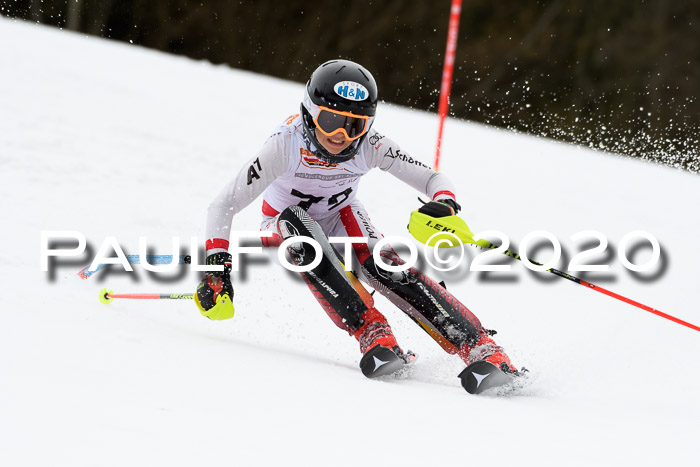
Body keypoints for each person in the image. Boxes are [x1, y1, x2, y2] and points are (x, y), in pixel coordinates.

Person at [195, 59, 522, 394]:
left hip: (341, 213)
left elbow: (433, 179)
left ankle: (483, 350)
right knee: (298, 227)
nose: (341, 135)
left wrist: (445, 202)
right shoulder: (285, 144)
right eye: (331, 121)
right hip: (286, 222)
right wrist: (215, 268)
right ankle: (373, 332)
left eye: (355, 125)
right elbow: (224, 204)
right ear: (309, 113)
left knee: (380, 263)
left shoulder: (370, 145)